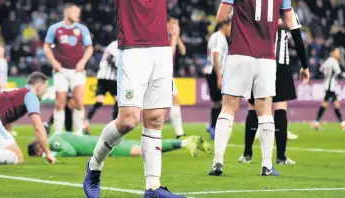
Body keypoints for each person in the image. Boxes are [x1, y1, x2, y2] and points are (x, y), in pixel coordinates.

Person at [84, 0, 196, 198]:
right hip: (133, 50)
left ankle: (153, 188)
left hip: (161, 50)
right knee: (128, 120)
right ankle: (94, 165)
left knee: (155, 119)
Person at [208, 0, 305, 177]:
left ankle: (218, 163)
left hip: (240, 53)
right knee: (265, 111)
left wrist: (237, 16)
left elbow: (221, 17)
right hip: (266, 58)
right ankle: (266, 165)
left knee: (229, 108)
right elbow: (291, 24)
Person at [238, 0, 310, 165]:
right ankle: (280, 156)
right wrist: (305, 65)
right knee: (279, 108)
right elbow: (298, 39)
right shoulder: (288, 10)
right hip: (280, 63)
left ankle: (247, 154)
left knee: (254, 107)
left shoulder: (256, 8)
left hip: (258, 61)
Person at [44, 3, 93, 135]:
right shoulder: (55, 28)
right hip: (61, 71)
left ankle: (78, 133)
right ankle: (59, 134)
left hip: (77, 71)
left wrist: (82, 62)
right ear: (67, 11)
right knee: (60, 102)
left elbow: (89, 47)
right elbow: (46, 47)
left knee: (79, 101)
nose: (78, 14)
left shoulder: (82, 29)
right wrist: (54, 62)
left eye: (79, 12)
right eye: (75, 11)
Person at [27, 131, 211, 158]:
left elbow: (70, 151)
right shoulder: (55, 136)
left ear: (38, 147)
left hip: (105, 145)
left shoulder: (53, 141)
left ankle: (186, 142)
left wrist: (48, 155)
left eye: (39, 152)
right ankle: (185, 141)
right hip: (102, 141)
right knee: (145, 146)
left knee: (142, 151)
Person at [312, 47, 345, 130]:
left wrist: (327, 73)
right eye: (337, 52)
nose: (339, 54)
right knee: (327, 104)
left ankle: (342, 123)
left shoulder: (328, 60)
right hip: (330, 86)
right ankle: (316, 122)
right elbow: (339, 73)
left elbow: (321, 69)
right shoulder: (333, 61)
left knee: (334, 104)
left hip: (329, 85)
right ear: (333, 53)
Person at [204, 20, 231, 140]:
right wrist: (219, 75)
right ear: (224, 25)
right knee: (220, 102)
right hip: (215, 72)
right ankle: (215, 127)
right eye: (230, 26)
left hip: (215, 72)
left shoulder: (218, 37)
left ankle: (213, 126)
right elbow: (216, 55)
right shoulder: (219, 37)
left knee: (218, 102)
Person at [85, 40, 119, 130]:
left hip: (102, 76)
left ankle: (87, 120)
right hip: (109, 77)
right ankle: (114, 125)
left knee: (99, 100)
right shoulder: (115, 44)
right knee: (118, 101)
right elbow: (111, 58)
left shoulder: (113, 44)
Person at [168, 15, 187, 138]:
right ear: (167, 24)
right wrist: (174, 37)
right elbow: (169, 54)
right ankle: (179, 131)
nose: (176, 26)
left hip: (167, 75)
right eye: (174, 23)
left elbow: (183, 51)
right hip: (160, 74)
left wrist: (177, 37)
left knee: (175, 100)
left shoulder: (172, 37)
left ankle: (179, 132)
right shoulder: (163, 36)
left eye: (177, 23)